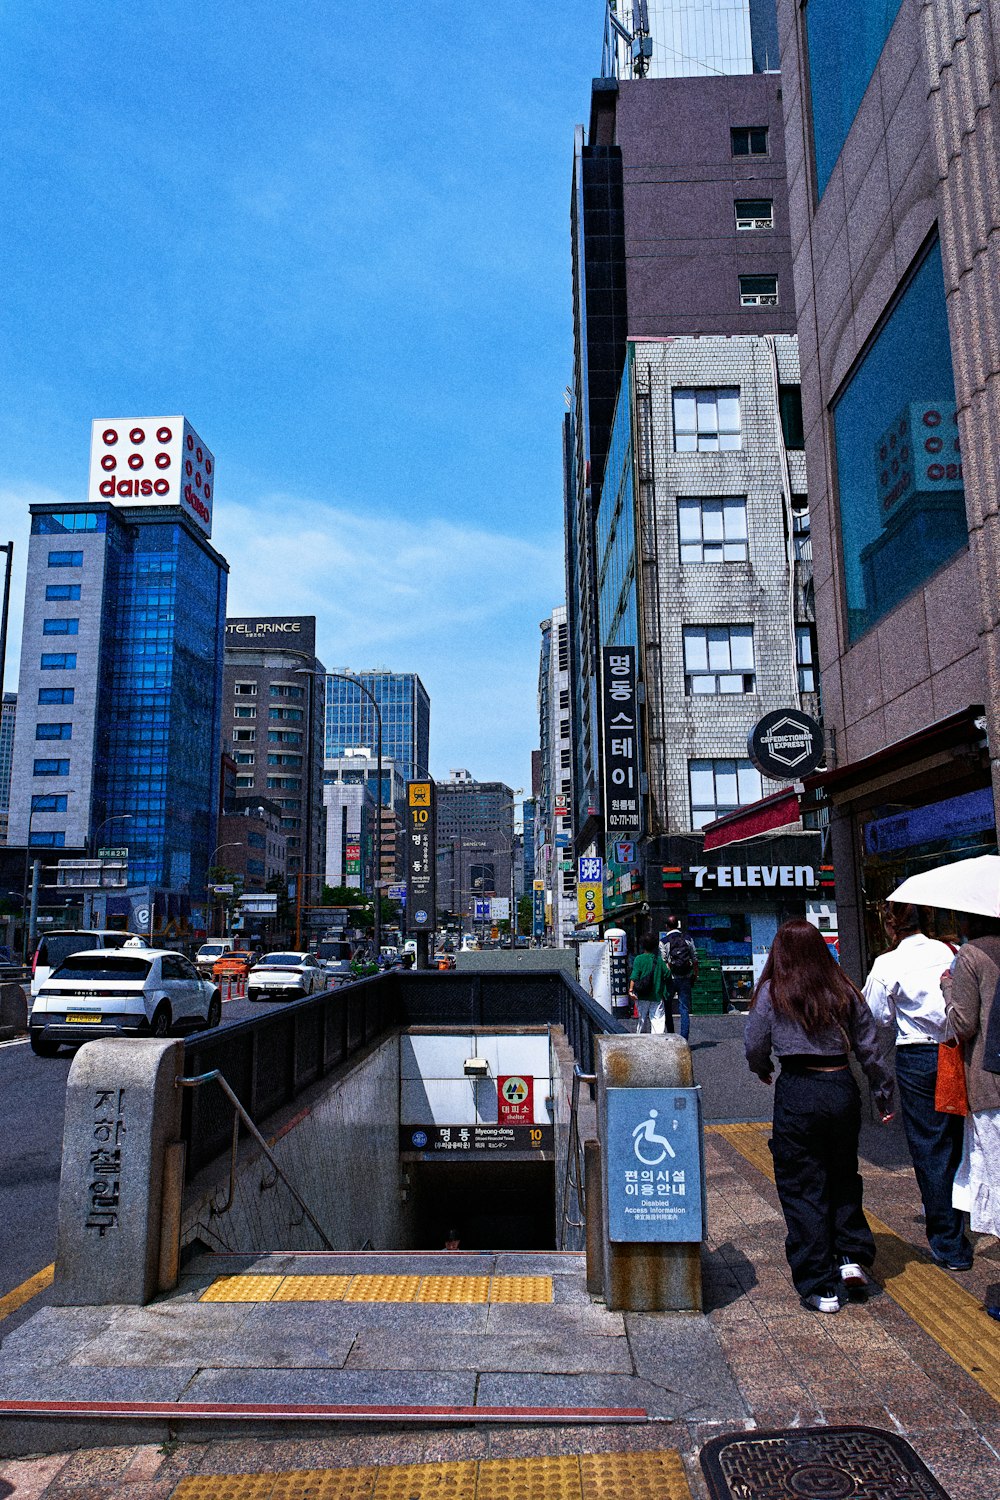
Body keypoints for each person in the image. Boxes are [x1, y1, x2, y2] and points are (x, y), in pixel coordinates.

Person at [745, 918, 894, 1313]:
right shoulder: (843, 988)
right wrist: (882, 1093)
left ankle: (819, 1284)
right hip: (841, 1086)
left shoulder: (773, 992)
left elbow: (755, 1042)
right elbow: (869, 1046)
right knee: (843, 1172)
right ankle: (850, 1257)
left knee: (801, 1183)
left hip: (798, 1087)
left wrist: (762, 1068)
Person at [863, 902, 972, 1270]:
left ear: (892, 926)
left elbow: (876, 1014)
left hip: (916, 1057)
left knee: (929, 1146)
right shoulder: (950, 952)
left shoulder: (887, 963)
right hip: (954, 1051)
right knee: (957, 1138)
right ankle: (959, 1215)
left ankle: (948, 1241)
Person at [942, 913, 1000, 1249]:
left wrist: (948, 986)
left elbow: (962, 1023)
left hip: (990, 1079)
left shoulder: (971, 955)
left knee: (995, 1170)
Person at [628, 934, 675, 1034]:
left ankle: (641, 1040)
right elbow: (667, 974)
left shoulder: (639, 959)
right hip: (657, 995)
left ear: (642, 945)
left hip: (642, 995)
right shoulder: (659, 960)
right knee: (657, 1020)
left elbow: (634, 976)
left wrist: (631, 990)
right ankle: (657, 1042)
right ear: (655, 946)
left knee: (642, 1019)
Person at [661, 916, 698, 1040]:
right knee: (684, 1008)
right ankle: (684, 1039)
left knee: (667, 1007)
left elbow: (663, 961)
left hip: (670, 978)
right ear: (678, 924)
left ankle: (671, 1036)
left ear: (667, 926)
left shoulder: (664, 941)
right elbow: (695, 958)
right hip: (686, 977)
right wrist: (695, 974)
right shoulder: (687, 939)